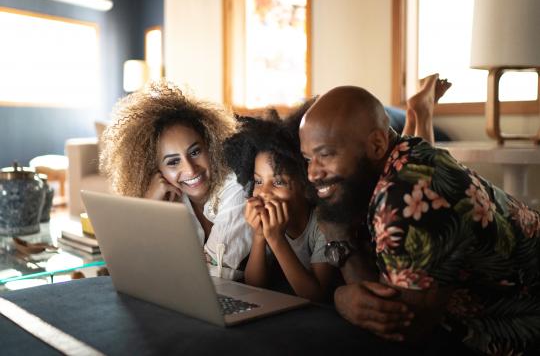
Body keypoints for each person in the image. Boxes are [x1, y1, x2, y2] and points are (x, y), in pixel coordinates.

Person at [298, 80, 540, 354]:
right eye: (308, 159)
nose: (312, 173)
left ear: (377, 144)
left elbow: (402, 326)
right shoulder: (410, 151)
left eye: (325, 155)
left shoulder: (409, 199)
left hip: (520, 330)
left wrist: (340, 291)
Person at [100, 80, 252, 280]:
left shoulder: (235, 186)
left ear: (211, 146)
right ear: (156, 170)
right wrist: (147, 204)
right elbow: (127, 265)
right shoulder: (172, 198)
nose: (189, 169)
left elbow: (215, 277)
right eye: (173, 162)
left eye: (195, 152)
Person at [224, 113, 335, 301]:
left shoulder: (323, 223)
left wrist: (276, 239)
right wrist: (260, 236)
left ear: (306, 186)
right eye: (258, 181)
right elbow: (255, 286)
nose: (264, 192)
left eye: (278, 182)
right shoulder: (269, 221)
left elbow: (317, 296)